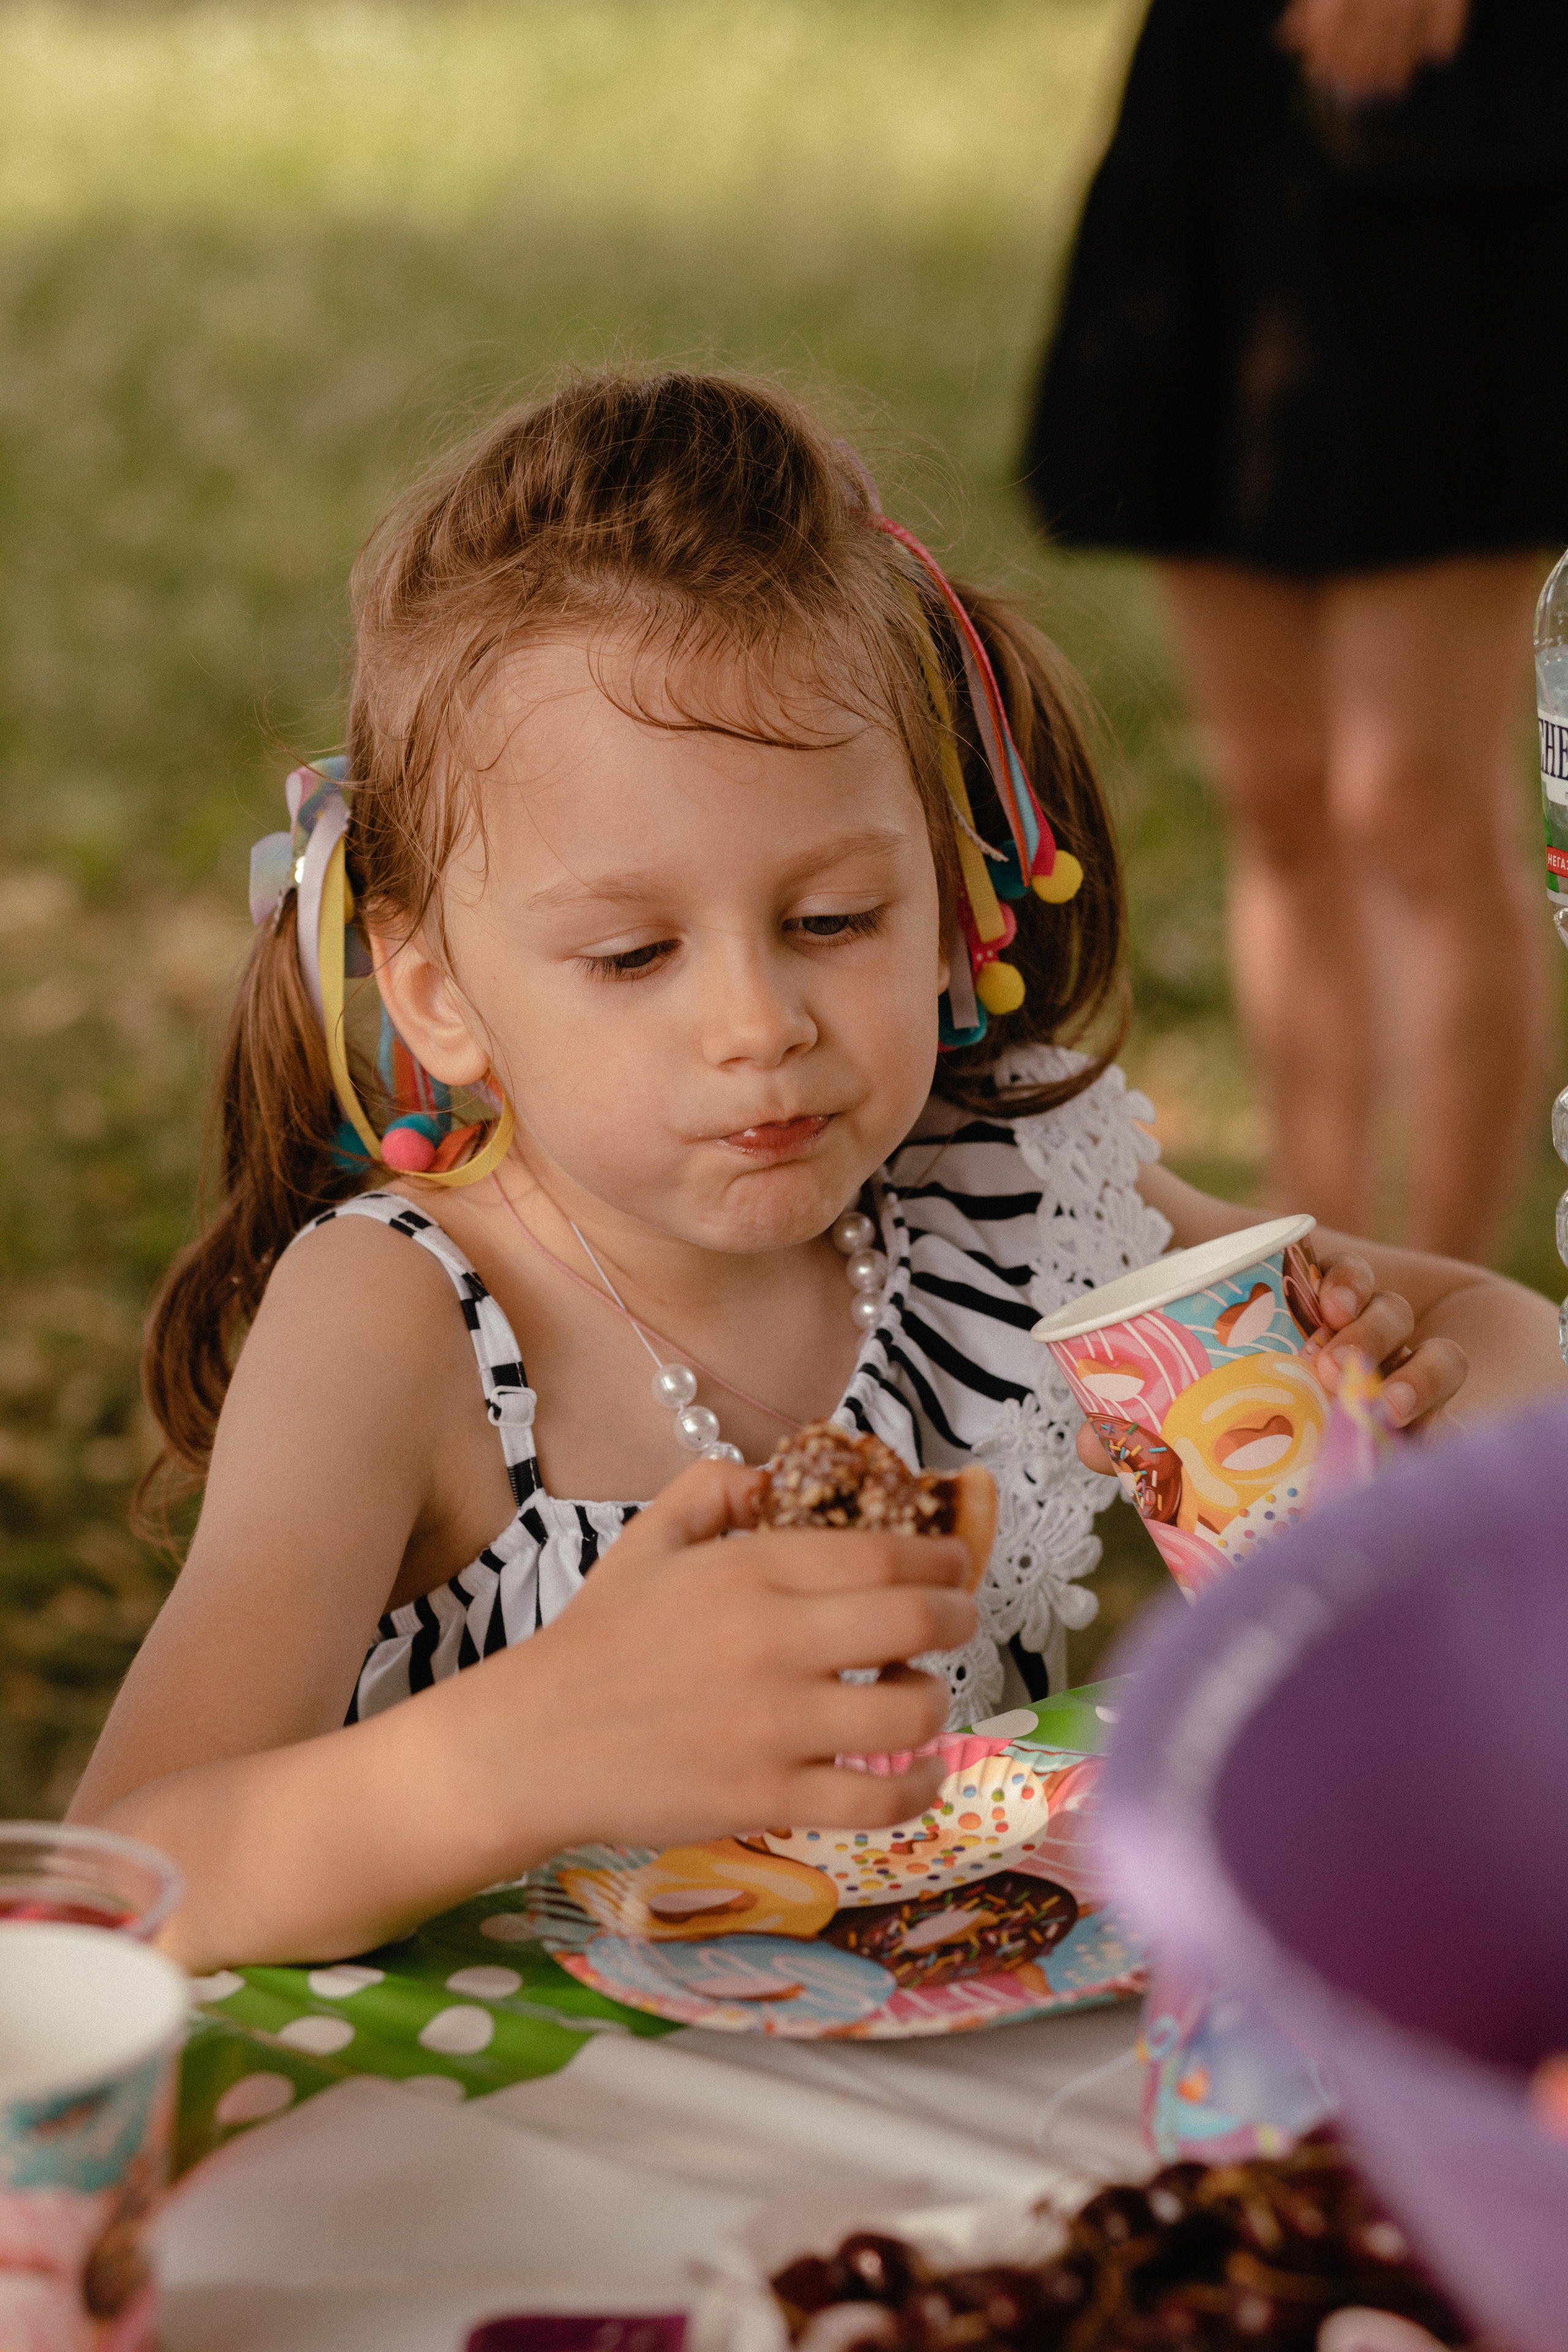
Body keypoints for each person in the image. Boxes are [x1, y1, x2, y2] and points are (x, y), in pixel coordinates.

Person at [69, 374, 1564, 1974]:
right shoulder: (397, 1324)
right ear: (433, 988)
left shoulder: (1004, 1193)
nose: (759, 1026)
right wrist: (519, 1752)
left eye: (835, 920)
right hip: (507, 2157)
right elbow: (116, 1883)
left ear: (948, 888)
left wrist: (1422, 1398)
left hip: (942, 2134)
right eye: (635, 954)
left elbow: (1494, 1330)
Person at [1023, 0, 1568, 1258]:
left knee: (1409, 806)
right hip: (1218, 122)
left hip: (1456, 135)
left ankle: (1447, 1300)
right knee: (1271, 792)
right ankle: (1300, 1263)